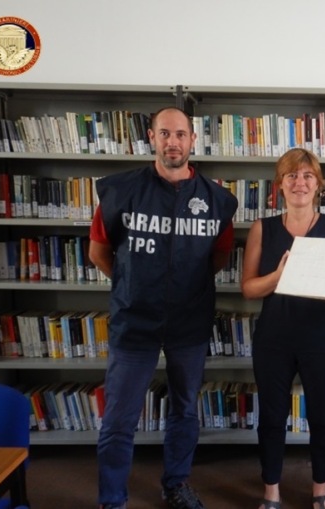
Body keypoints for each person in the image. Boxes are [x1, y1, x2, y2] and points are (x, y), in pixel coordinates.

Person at [89, 107, 238, 509]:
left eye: (181, 134)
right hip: (134, 320)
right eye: (165, 134)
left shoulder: (218, 201)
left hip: (189, 321)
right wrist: (133, 284)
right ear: (152, 138)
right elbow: (99, 252)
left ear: (193, 140)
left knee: (185, 410)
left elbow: (218, 257)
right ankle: (112, 499)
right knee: (119, 417)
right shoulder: (119, 191)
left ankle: (176, 485)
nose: (173, 142)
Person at [241, 148, 325, 509]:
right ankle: (271, 491)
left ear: (318, 184)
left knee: (322, 417)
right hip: (274, 338)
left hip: (323, 337)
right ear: (280, 184)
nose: (299, 182)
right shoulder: (263, 228)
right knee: (272, 417)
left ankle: (320, 490)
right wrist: (279, 276)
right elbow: (249, 289)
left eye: (307, 176)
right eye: (291, 175)